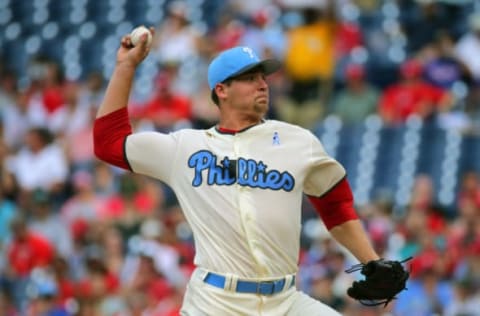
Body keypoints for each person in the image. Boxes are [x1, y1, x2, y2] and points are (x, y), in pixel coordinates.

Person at [93, 28, 381, 315]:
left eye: (263, 77)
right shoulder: (185, 148)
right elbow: (108, 144)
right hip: (215, 302)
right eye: (249, 78)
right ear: (221, 90)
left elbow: (337, 208)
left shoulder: (298, 141)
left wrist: (372, 263)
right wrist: (125, 66)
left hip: (285, 300)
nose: (262, 85)